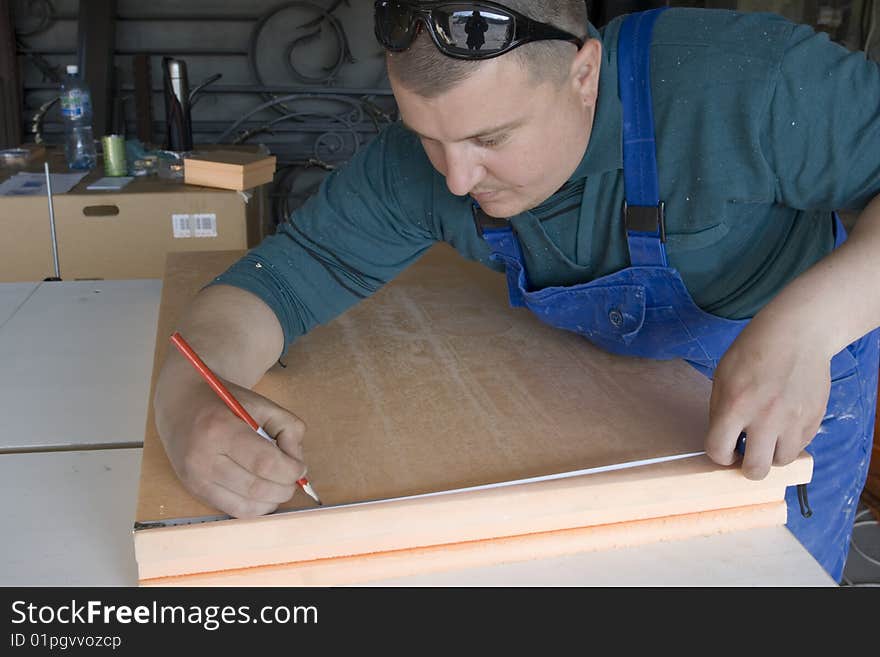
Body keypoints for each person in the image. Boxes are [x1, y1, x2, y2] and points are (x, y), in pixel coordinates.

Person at [153, 0, 880, 582]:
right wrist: (187, 396)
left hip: (801, 377)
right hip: (614, 405)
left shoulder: (746, 78)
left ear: (584, 74)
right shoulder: (420, 165)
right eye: (429, 137)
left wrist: (809, 326)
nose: (457, 178)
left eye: (491, 139)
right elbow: (271, 283)